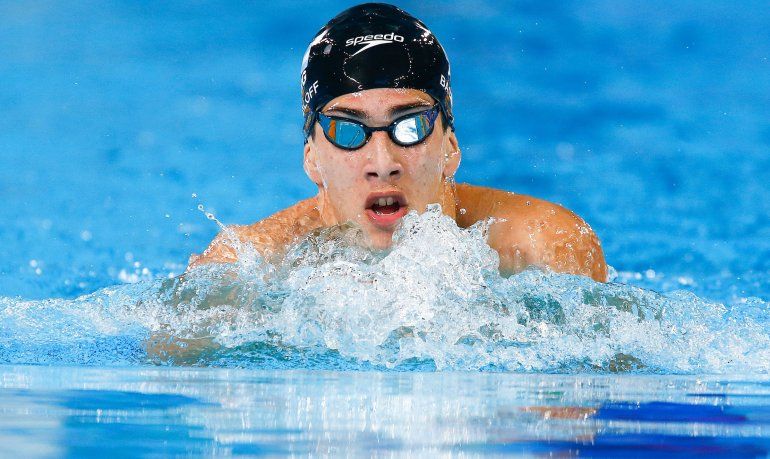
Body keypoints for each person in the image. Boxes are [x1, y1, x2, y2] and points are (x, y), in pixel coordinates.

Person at [189, 2, 607, 282]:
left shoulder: (541, 247)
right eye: (347, 131)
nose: (382, 161)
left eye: (409, 126)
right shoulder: (247, 265)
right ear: (312, 158)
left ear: (450, 147)